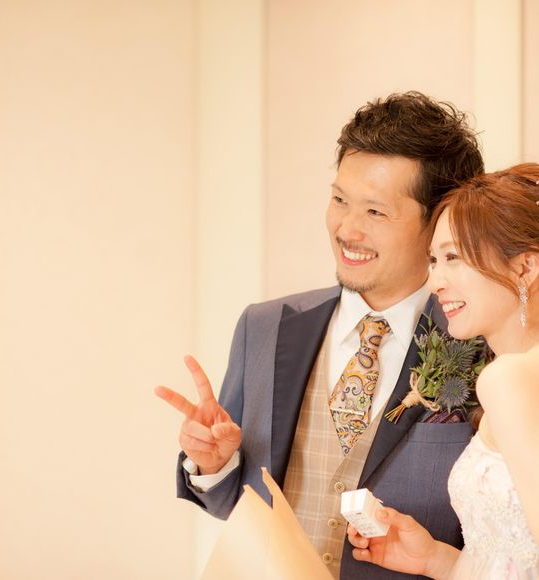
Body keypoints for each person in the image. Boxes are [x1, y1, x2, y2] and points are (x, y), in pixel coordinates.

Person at [155, 91, 485, 579]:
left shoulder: (482, 344)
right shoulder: (264, 327)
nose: (347, 229)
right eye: (339, 200)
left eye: (375, 212)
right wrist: (215, 464)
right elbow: (236, 505)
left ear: (437, 221)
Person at [347, 164, 539, 578]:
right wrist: (435, 558)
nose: (435, 281)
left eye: (454, 257)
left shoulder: (508, 379)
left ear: (525, 268)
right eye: (434, 260)